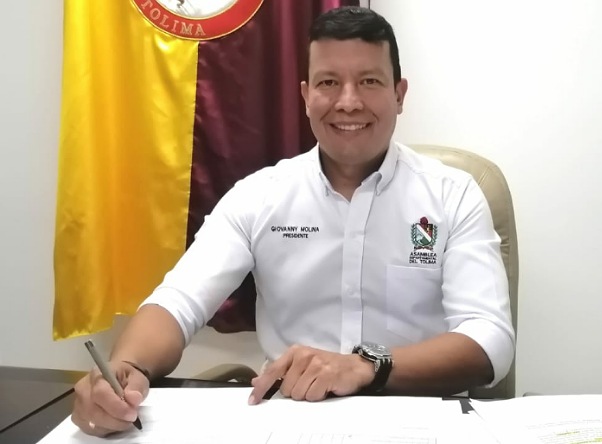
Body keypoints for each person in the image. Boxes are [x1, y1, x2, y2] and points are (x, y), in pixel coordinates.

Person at [70, 6, 515, 437]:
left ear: (399, 95)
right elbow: (178, 304)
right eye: (328, 82)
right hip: (289, 421)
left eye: (369, 81)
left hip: (419, 421)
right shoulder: (259, 195)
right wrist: (125, 368)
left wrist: (366, 366)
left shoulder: (454, 195)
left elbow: (489, 339)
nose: (348, 102)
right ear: (305, 96)